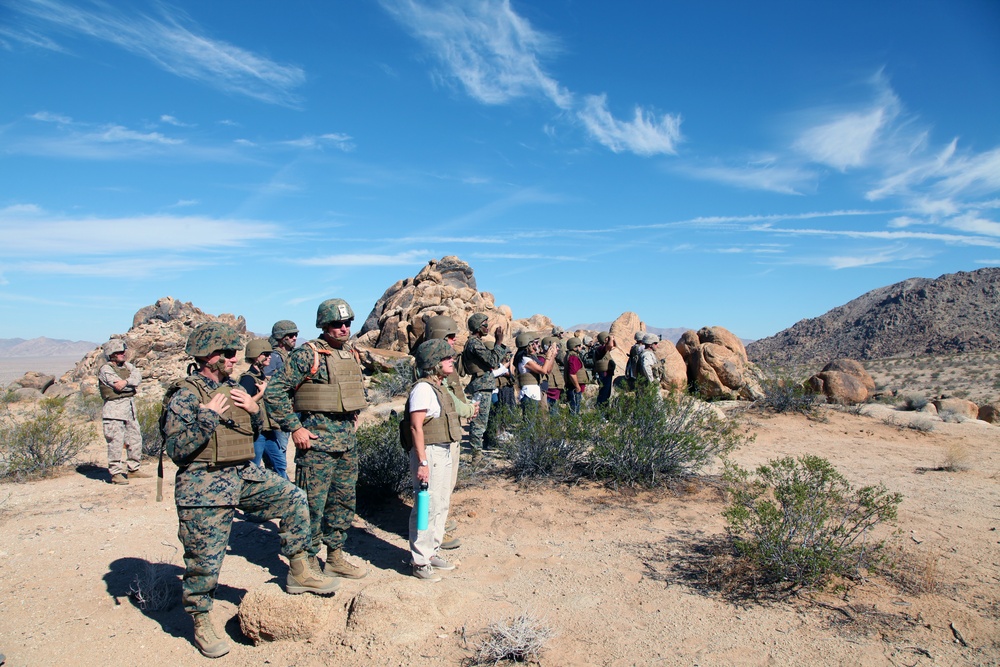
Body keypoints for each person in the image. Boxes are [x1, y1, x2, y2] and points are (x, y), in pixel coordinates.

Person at [164, 322, 338, 659]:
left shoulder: (234, 389)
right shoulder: (185, 394)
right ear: (207, 357)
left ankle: (300, 568)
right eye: (227, 354)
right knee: (205, 559)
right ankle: (201, 619)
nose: (234, 359)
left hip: (242, 473)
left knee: (293, 498)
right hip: (203, 484)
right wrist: (207, 417)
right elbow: (177, 450)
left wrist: (255, 410)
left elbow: (253, 430)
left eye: (234, 354)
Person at [264, 299, 369, 582]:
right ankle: (307, 562)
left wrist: (355, 413)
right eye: (337, 324)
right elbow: (274, 393)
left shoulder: (350, 354)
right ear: (324, 325)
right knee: (312, 504)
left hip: (347, 442)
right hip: (317, 445)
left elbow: (353, 389)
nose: (343, 328)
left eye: (347, 323)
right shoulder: (306, 355)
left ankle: (334, 557)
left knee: (343, 502)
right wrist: (295, 428)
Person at [405, 339, 462, 581]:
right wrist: (423, 463)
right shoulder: (423, 389)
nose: (452, 360)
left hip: (443, 451)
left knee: (440, 505)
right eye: (446, 357)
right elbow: (416, 427)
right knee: (426, 508)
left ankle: (432, 552)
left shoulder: (439, 386)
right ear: (433, 363)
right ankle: (420, 560)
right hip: (430, 453)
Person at [423, 315, 480, 551]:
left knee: (447, 485)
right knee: (437, 489)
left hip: (450, 429)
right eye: (449, 336)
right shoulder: (428, 366)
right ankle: (434, 534)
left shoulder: (445, 362)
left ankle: (440, 523)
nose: (455, 340)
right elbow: (446, 397)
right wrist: (468, 409)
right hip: (437, 436)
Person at [461, 313, 510, 461]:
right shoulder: (474, 343)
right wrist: (499, 342)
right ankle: (476, 456)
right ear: (477, 327)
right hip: (481, 386)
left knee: (483, 420)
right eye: (484, 325)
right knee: (478, 422)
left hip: (484, 385)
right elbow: (493, 361)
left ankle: (479, 452)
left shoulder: (476, 342)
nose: (487, 327)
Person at [98, 339, 145, 485]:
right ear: (111, 354)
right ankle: (116, 472)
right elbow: (118, 386)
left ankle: (133, 469)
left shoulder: (128, 366)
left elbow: (137, 377)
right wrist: (128, 384)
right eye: (118, 352)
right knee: (115, 441)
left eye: (123, 351)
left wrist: (126, 383)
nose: (122, 354)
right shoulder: (105, 369)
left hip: (129, 409)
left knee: (135, 439)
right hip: (114, 410)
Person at [238, 339, 287, 479]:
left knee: (279, 464)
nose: (269, 357)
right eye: (265, 354)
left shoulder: (262, 377)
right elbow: (243, 404)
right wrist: (261, 393)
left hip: (268, 430)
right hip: (256, 432)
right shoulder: (248, 379)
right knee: (252, 467)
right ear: (255, 355)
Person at [263, 320, 299, 471]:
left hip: (290, 408)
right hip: (279, 411)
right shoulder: (274, 357)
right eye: (291, 335)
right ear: (282, 338)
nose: (295, 338)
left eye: (296, 335)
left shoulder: (288, 356)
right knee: (279, 451)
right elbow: (267, 381)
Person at [513, 332, 557, 414]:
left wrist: (552, 356)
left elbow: (547, 370)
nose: (534, 346)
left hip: (533, 393)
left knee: (532, 422)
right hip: (529, 393)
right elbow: (543, 370)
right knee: (529, 423)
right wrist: (547, 357)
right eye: (532, 344)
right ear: (527, 346)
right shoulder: (525, 360)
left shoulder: (529, 358)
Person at [564, 337, 591, 414]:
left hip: (574, 387)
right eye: (579, 346)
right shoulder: (573, 358)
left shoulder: (571, 356)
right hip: (574, 388)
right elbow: (572, 374)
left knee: (574, 407)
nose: (581, 347)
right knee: (575, 408)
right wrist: (577, 386)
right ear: (575, 347)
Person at [541, 335, 565, 414]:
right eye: (555, 347)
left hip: (555, 391)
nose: (557, 349)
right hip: (549, 391)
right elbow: (547, 370)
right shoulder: (542, 358)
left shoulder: (552, 359)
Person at [593, 331, 617, 406]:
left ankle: (603, 410)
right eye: (607, 338)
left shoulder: (603, 348)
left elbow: (614, 346)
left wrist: (613, 339)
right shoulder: (600, 348)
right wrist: (610, 338)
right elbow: (610, 346)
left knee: (607, 394)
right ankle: (601, 411)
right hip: (604, 374)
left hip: (607, 374)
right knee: (604, 394)